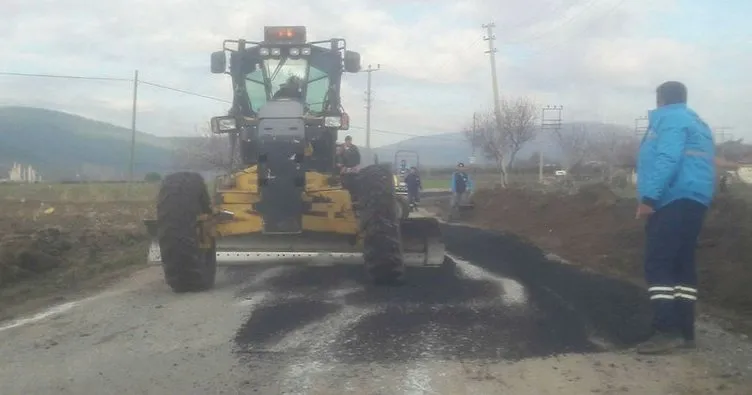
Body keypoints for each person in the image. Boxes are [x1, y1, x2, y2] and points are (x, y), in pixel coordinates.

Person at [634, 81, 716, 354]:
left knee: (659, 263)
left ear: (660, 99)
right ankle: (685, 331)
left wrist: (649, 198)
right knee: (683, 264)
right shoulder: (697, 122)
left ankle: (665, 331)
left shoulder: (670, 119)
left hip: (672, 198)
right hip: (695, 199)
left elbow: (667, 158)